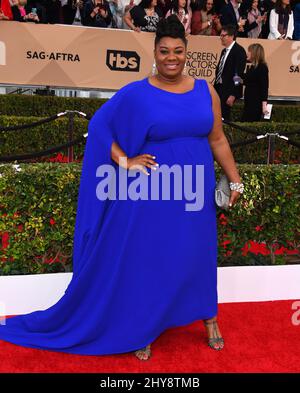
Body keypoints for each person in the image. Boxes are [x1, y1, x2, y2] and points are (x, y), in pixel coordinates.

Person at [0, 14, 244, 361]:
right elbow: (100, 126)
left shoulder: (207, 91)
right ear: (154, 52)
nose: (171, 57)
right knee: (150, 260)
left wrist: (235, 179)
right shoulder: (137, 93)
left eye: (177, 50)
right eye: (164, 51)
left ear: (186, 51)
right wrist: (125, 161)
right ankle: (142, 326)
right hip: (151, 195)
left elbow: (218, 139)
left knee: (196, 254)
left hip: (193, 194)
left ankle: (210, 320)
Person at [213, 24, 247, 121]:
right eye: (221, 35)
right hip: (219, 88)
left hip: (228, 90)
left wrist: (233, 94)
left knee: (224, 118)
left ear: (231, 36)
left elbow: (238, 75)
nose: (221, 38)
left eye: (223, 35)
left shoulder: (239, 51)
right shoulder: (224, 51)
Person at [241, 43, 269, 122]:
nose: (247, 53)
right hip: (248, 101)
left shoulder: (262, 67)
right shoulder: (252, 67)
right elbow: (246, 81)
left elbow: (264, 87)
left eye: (249, 51)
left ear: (255, 53)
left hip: (256, 103)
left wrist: (264, 106)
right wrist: (235, 78)